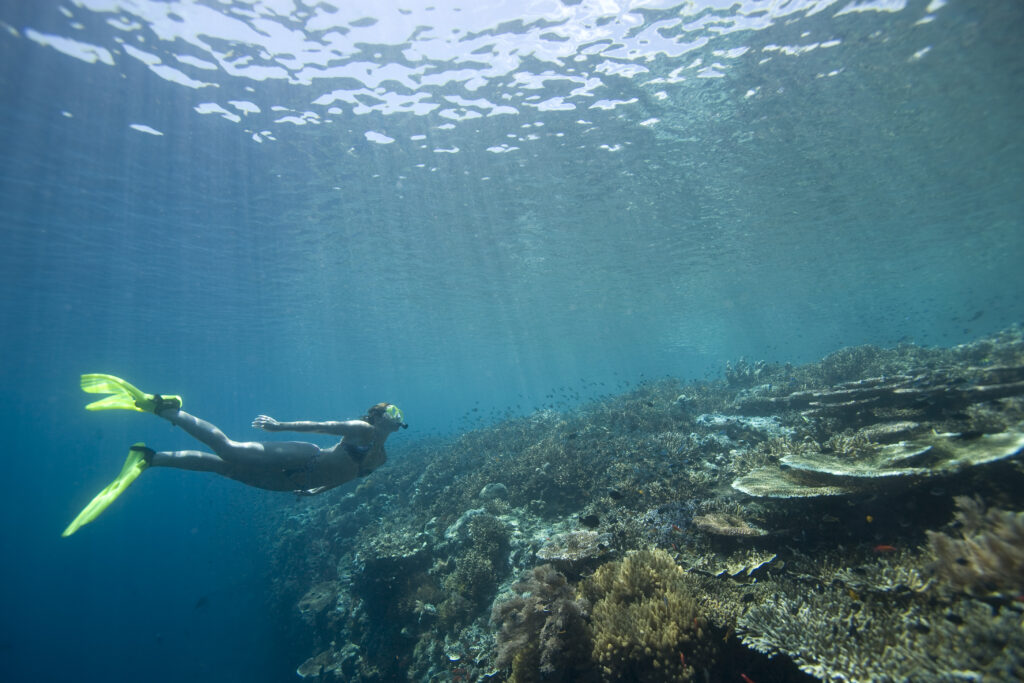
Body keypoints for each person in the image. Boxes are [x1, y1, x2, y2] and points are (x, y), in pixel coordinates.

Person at [62, 373, 407, 537]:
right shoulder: (361, 430)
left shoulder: (382, 459)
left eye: (397, 411)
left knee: (224, 468)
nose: (396, 414)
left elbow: (347, 478)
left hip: (296, 481)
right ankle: (168, 410)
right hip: (307, 457)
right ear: (376, 416)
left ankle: (150, 458)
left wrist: (317, 492)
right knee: (230, 450)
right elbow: (322, 426)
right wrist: (278, 426)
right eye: (390, 409)